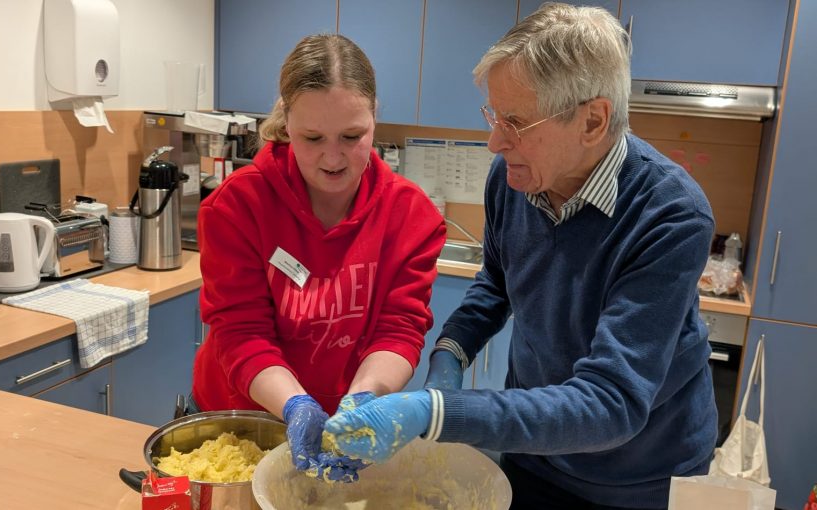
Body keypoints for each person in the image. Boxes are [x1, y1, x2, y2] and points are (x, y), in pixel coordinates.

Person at [325, 3, 717, 508]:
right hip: (535, 455)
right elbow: (497, 283)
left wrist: (438, 411)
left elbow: (612, 402)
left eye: (514, 121)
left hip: (642, 478)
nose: (494, 141)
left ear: (593, 121)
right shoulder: (515, 177)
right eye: (493, 114)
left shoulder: (670, 214)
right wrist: (451, 350)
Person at [191, 34, 446, 482]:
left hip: (344, 427)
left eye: (352, 136)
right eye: (313, 138)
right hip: (244, 424)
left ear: (374, 118)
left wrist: (364, 398)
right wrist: (294, 403)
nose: (333, 157)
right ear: (287, 122)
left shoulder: (411, 216)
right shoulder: (237, 207)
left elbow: (400, 328)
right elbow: (241, 330)